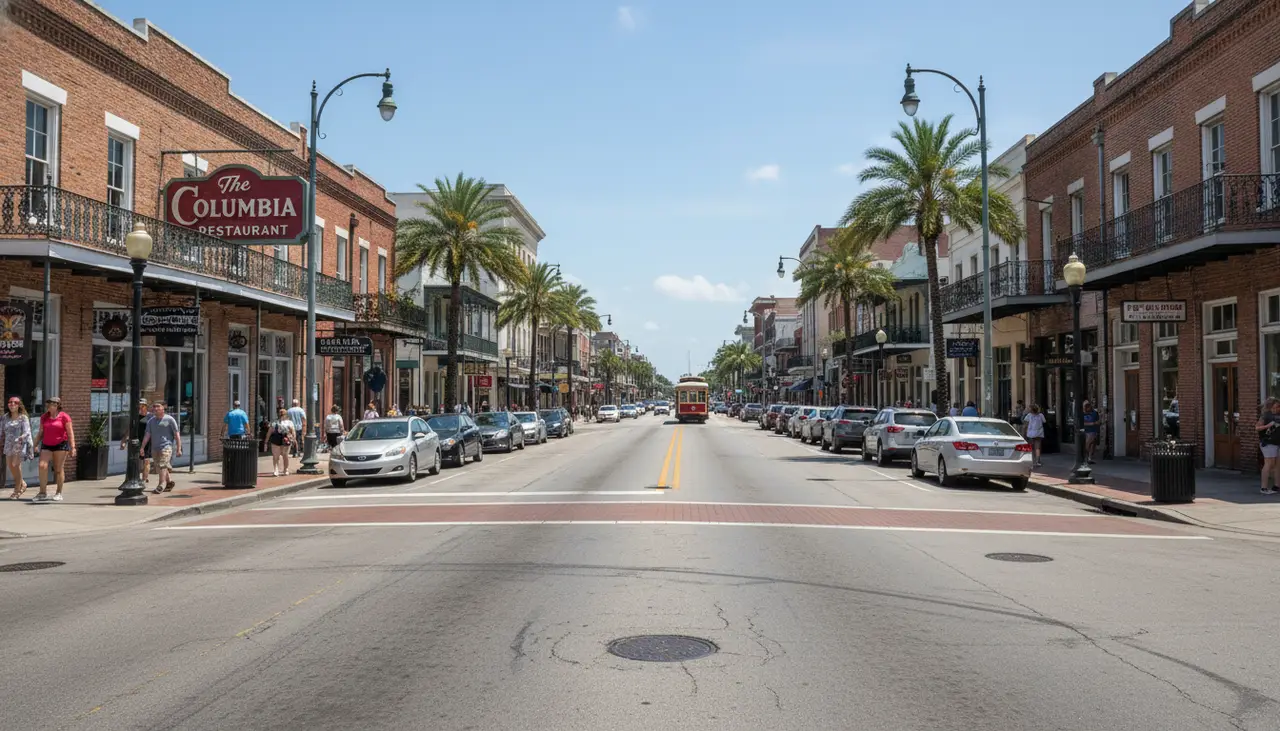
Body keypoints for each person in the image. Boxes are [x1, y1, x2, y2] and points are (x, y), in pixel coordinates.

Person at [33, 396, 75, 502]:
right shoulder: (44, 417)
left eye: (51, 404)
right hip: (47, 445)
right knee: (42, 466)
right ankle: (42, 492)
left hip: (61, 445)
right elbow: (41, 432)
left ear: (57, 406)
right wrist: (35, 444)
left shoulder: (64, 417)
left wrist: (72, 447)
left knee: (58, 469)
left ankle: (58, 492)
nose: (49, 406)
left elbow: (70, 433)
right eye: (48, 404)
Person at [141, 401, 181, 494]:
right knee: (159, 466)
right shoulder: (151, 421)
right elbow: (147, 435)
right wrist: (142, 447)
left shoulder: (170, 419)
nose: (155, 408)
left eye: (158, 406)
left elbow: (177, 434)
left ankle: (161, 484)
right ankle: (169, 482)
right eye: (154, 406)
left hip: (166, 446)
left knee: (162, 464)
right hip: (155, 448)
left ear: (163, 408)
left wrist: (179, 448)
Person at [3, 397, 34, 500]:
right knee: (10, 466)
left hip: (18, 445)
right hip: (8, 444)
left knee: (15, 465)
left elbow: (27, 431)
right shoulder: (5, 417)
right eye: (10, 402)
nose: (12, 404)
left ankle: (17, 489)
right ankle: (22, 483)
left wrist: (21, 437)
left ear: (18, 405)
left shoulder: (23, 418)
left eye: (15, 403)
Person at [120, 399, 152, 486]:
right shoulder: (135, 417)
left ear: (146, 406)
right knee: (136, 460)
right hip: (137, 441)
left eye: (143, 406)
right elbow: (130, 429)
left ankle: (144, 479)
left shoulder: (151, 417)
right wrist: (124, 441)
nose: (141, 408)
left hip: (148, 442)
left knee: (146, 460)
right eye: (139, 406)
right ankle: (137, 477)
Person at [1256, 398, 1280, 494]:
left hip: (1278, 442)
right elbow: (1257, 428)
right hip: (1268, 443)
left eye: (1278, 407)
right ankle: (1264, 488)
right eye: (1274, 407)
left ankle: (1277, 486)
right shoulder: (1265, 417)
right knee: (1269, 464)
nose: (1276, 409)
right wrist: (1268, 425)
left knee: (1278, 465)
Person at [267, 407, 297, 477]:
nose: (281, 415)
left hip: (285, 440)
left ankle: (285, 469)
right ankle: (276, 470)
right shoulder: (274, 422)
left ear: (286, 415)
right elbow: (270, 431)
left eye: (282, 414)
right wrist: (266, 441)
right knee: (276, 456)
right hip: (276, 440)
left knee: (285, 456)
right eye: (280, 414)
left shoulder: (289, 422)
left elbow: (293, 432)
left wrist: (293, 439)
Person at [1023, 404, 1047, 468]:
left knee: (1032, 447)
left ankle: (1032, 461)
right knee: (1037, 447)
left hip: (1030, 433)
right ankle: (1038, 461)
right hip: (1039, 433)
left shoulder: (1029, 416)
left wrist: (1024, 433)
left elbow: (1025, 425)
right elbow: (1044, 421)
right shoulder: (1041, 415)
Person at [1081, 400, 1101, 464]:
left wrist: (1097, 424)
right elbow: (1081, 423)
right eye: (1085, 406)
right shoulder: (1082, 413)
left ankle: (1089, 458)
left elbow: (1098, 421)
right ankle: (1085, 457)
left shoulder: (1094, 413)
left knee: (1092, 444)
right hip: (1086, 431)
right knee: (1087, 444)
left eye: (1088, 406)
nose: (1087, 407)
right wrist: (1092, 423)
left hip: (1093, 431)